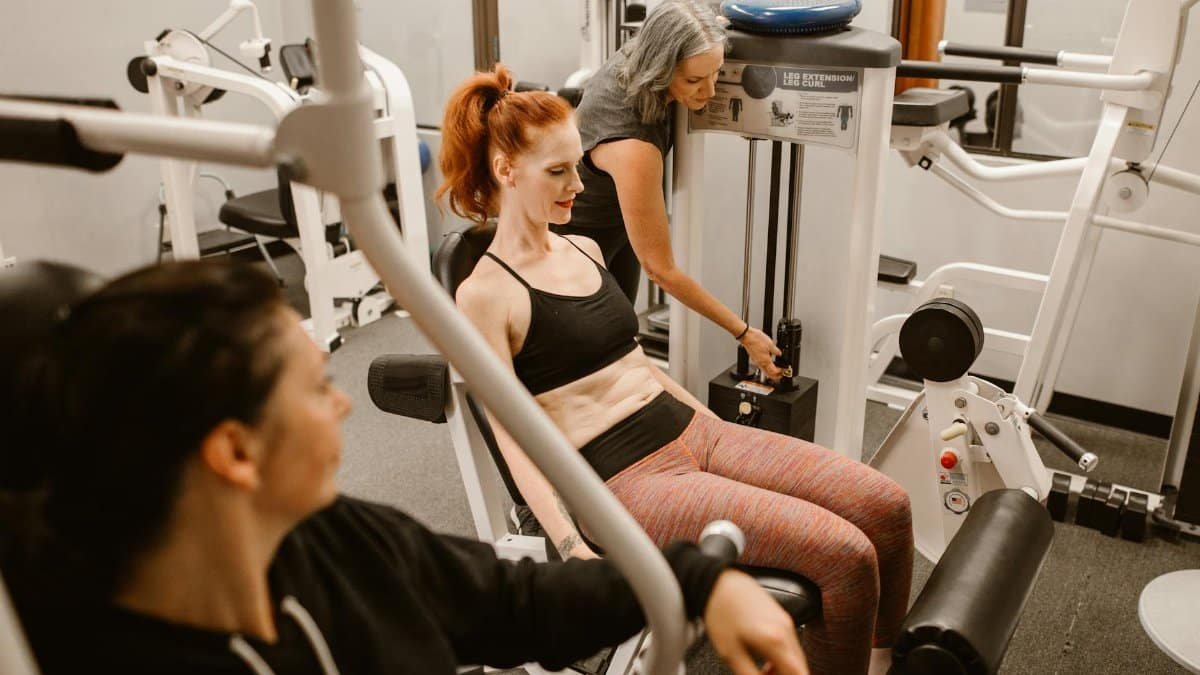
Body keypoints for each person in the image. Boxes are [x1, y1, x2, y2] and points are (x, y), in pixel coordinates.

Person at [0, 260, 807, 675]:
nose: (343, 405)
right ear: (235, 454)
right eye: (318, 388)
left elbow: (511, 598)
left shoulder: (326, 540)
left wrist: (698, 580)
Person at [440, 65, 914, 675]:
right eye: (557, 172)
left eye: (577, 166)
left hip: (691, 429)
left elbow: (632, 362)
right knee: (846, 555)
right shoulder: (485, 295)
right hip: (622, 479)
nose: (578, 186)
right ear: (506, 172)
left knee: (885, 505)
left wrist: (718, 431)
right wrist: (569, 544)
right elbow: (510, 433)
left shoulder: (583, 247)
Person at [550, 0, 784, 380]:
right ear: (660, 69)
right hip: (573, 240)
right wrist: (744, 334)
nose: (708, 91)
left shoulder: (649, 43)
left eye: (716, 74)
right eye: (693, 81)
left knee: (620, 342)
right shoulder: (633, 146)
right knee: (584, 364)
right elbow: (662, 270)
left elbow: (699, 16)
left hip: (617, 227)